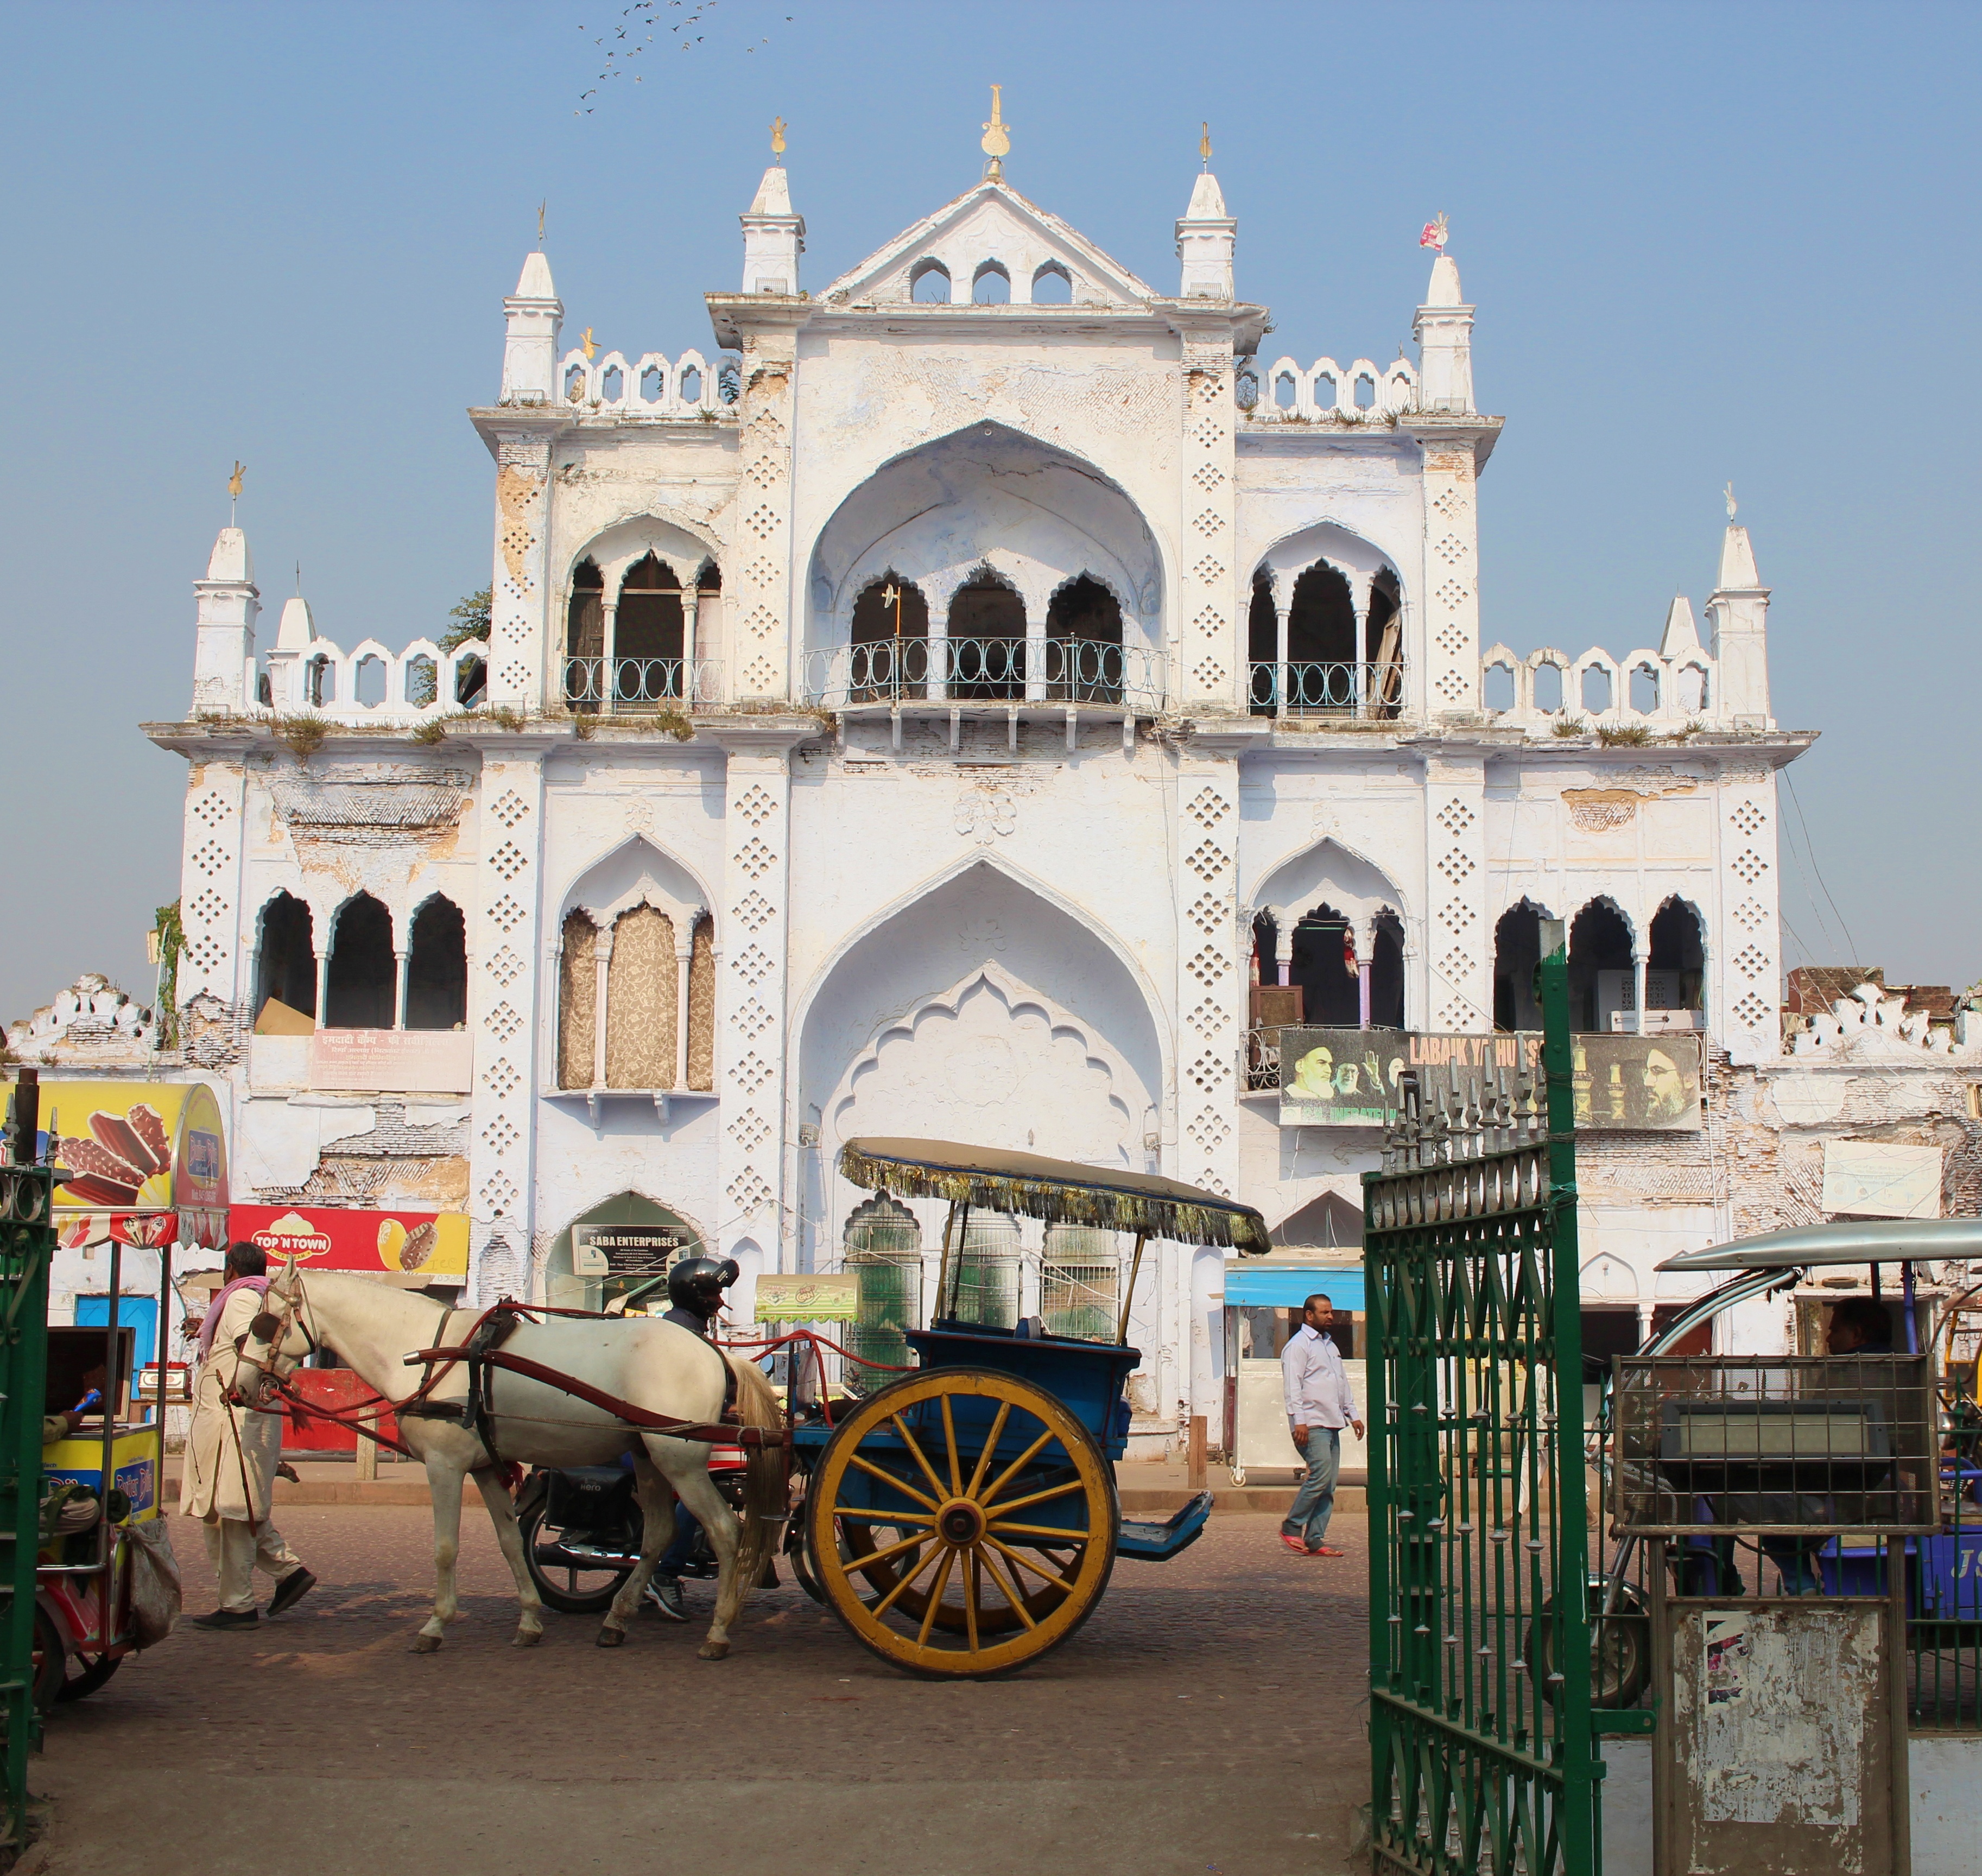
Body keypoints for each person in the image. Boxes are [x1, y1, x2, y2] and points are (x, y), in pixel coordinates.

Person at [180, 1243, 316, 1628]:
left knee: (231, 1511)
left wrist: (244, 1385)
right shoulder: (256, 1298)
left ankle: (238, 1604)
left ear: (229, 1269)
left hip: (234, 1420)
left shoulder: (241, 1297)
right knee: (232, 1508)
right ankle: (289, 1573)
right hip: (233, 1420)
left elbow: (249, 1344)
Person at [644, 1256, 739, 1622]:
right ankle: (665, 1572)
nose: (720, 1301)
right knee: (699, 1491)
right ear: (698, 1296)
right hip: (655, 1441)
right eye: (715, 1293)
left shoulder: (690, 1331)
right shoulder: (678, 1338)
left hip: (675, 1435)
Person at [1280, 1293, 1365, 1557]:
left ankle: (1315, 1538)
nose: (1331, 1317)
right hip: (1311, 1423)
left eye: (1331, 1312)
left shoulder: (1329, 1345)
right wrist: (1299, 1421)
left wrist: (1353, 1415)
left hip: (1333, 1422)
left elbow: (1340, 1381)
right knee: (1319, 1476)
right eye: (1324, 1312)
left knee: (1329, 1484)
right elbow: (1293, 1386)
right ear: (1309, 1315)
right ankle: (1292, 1527)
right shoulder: (1298, 1345)